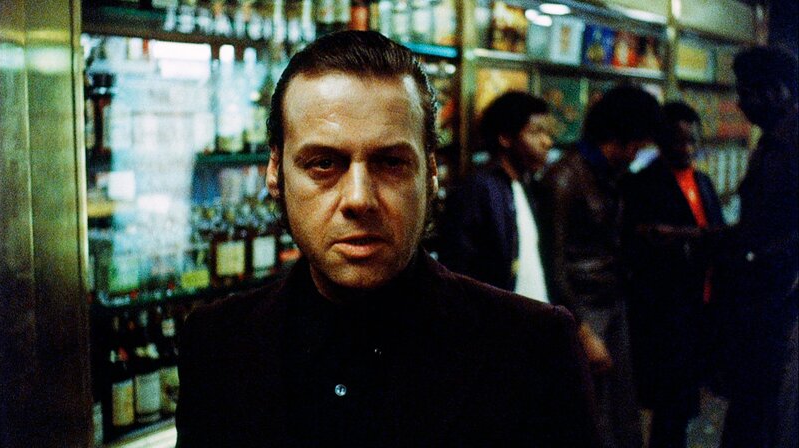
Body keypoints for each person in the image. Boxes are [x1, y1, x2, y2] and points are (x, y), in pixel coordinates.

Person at [175, 30, 599, 447]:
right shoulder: (216, 343)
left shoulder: (534, 348)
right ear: (275, 173)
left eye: (391, 163)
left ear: (430, 173)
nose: (359, 198)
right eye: (323, 163)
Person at [540, 85, 662, 448]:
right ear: (621, 137)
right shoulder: (564, 177)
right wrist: (582, 329)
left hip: (611, 302)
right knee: (590, 415)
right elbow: (553, 263)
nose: (638, 154)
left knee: (619, 414)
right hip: (583, 309)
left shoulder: (608, 176)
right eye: (637, 144)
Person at [621, 102, 724, 448]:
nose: (688, 149)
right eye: (680, 141)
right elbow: (639, 241)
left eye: (693, 141)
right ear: (663, 141)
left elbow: (715, 232)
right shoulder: (644, 183)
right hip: (666, 309)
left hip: (701, 301)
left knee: (686, 401)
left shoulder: (702, 181)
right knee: (669, 403)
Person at [713, 45, 798, 448]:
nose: (743, 103)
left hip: (781, 302)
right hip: (764, 299)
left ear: (779, 90)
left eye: (750, 92)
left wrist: (766, 258)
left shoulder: (788, 146)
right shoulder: (771, 143)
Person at [437, 92, 554, 301]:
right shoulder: (478, 189)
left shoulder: (527, 185)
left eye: (547, 133)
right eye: (536, 132)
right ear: (505, 138)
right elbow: (459, 268)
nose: (547, 142)